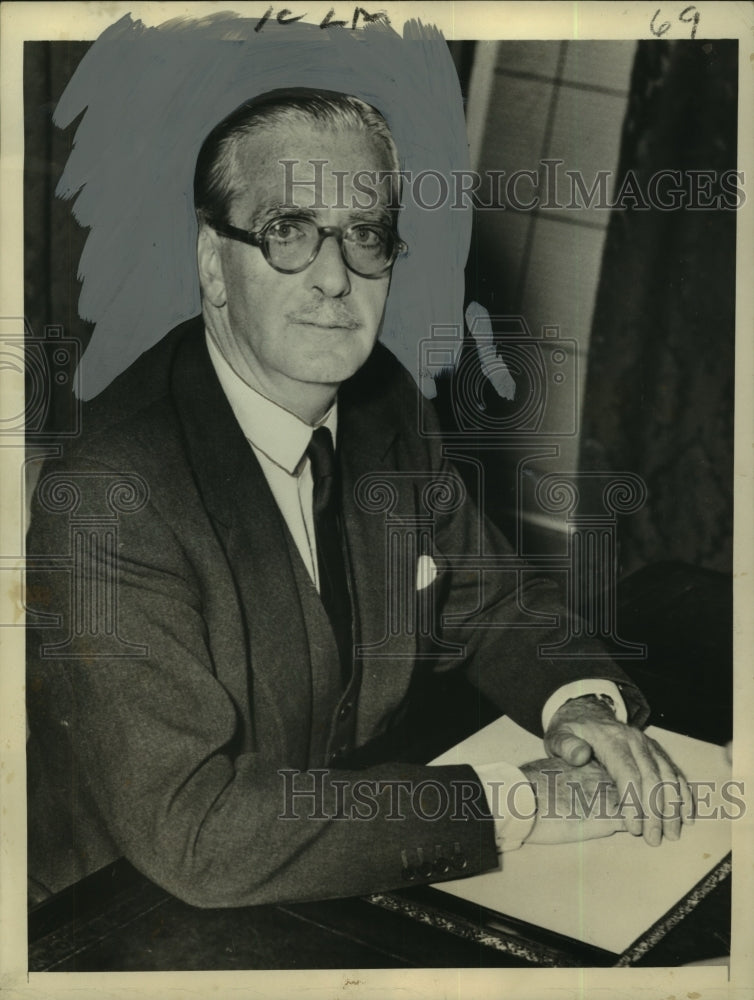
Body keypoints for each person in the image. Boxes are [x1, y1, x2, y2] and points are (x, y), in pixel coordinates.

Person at [26, 89, 693, 908]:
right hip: (119, 912)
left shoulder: (384, 403)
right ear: (213, 263)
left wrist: (582, 705)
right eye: (288, 232)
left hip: (341, 864)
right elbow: (195, 828)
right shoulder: (111, 493)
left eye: (365, 235)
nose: (337, 278)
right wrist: (511, 798)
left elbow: (491, 601)